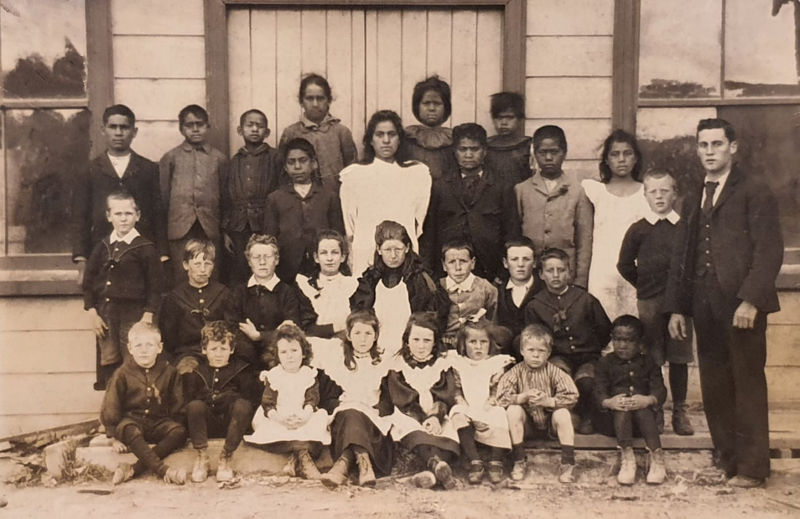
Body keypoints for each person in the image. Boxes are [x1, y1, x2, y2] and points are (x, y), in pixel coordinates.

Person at [666, 118, 784, 488]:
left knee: (746, 382)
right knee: (715, 383)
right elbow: (683, 255)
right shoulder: (695, 195)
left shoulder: (755, 190)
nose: (709, 152)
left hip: (740, 305)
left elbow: (769, 251)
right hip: (703, 303)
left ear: (733, 147)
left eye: (717, 144)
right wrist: (678, 307)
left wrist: (750, 301)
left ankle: (752, 469)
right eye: (703, 145)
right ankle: (726, 460)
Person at [617, 169, 694, 435]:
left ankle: (680, 411)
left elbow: (692, 265)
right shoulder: (638, 229)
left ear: (675, 194)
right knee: (653, 357)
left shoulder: (684, 228)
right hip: (649, 303)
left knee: (679, 357)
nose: (659, 196)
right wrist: (645, 286)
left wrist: (682, 299)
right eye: (653, 191)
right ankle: (656, 408)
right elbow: (624, 264)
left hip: (680, 305)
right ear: (645, 194)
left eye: (665, 191)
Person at [72, 104, 168, 282]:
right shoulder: (90, 170)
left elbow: (158, 214)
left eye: (124, 127)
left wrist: (162, 255)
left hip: (141, 253)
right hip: (101, 252)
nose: (118, 133)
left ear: (134, 131)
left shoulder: (148, 169)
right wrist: (81, 260)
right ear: (103, 130)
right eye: (112, 127)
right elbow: (80, 217)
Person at [82, 191, 165, 390]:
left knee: (134, 361)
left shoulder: (146, 248)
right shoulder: (102, 247)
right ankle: (112, 411)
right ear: (109, 216)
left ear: (138, 215)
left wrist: (148, 316)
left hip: (134, 316)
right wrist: (93, 313)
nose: (123, 219)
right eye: (118, 214)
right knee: (109, 362)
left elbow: (156, 286)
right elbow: (88, 283)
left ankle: (134, 410)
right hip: (106, 315)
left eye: (128, 213)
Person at [524, 247, 612, 435]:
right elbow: (533, 337)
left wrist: (592, 349)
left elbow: (604, 329)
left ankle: (587, 415)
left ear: (569, 272)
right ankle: (564, 415)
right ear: (541, 274)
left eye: (561, 270)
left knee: (587, 380)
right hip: (557, 356)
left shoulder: (585, 299)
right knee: (558, 376)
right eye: (550, 270)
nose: (556, 275)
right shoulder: (535, 305)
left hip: (587, 356)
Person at [421, 122, 521, 282]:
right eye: (463, 149)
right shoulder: (441, 185)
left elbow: (511, 232)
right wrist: (429, 272)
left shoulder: (501, 186)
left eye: (474, 149)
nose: (468, 154)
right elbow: (429, 231)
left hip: (489, 269)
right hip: (448, 269)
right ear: (454, 151)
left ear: (485, 151)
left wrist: (502, 273)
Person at [339, 110, 431, 275]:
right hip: (366, 250)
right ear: (371, 140)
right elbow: (350, 225)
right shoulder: (354, 175)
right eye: (379, 135)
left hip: (403, 252)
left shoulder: (417, 173)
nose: (386, 140)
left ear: (400, 139)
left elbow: (418, 222)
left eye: (392, 134)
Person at [377, 313, 462, 490]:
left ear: (435, 342)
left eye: (427, 340)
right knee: (414, 431)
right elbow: (402, 397)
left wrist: (435, 417)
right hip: (409, 414)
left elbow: (444, 393)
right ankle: (436, 465)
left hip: (438, 413)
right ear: (407, 340)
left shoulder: (442, 364)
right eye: (416, 339)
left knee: (448, 431)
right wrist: (424, 419)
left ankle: (432, 474)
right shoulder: (398, 365)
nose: (421, 346)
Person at [100, 322, 187, 486]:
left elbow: (178, 405)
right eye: (138, 345)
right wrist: (113, 438)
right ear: (130, 349)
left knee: (179, 432)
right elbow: (111, 406)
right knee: (128, 428)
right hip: (133, 424)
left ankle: (133, 469)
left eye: (149, 345)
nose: (144, 350)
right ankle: (165, 471)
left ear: (159, 347)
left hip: (159, 422)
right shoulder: (122, 373)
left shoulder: (170, 372)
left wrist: (175, 425)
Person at [311, 311, 392, 488]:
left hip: (372, 424)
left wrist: (373, 410)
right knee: (351, 413)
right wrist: (345, 405)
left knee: (357, 415)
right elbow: (328, 399)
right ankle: (364, 465)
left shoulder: (383, 363)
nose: (363, 339)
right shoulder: (337, 361)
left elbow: (388, 401)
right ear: (348, 335)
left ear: (376, 336)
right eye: (357, 333)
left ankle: (342, 464)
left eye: (368, 334)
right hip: (343, 420)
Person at [245, 324, 332, 480]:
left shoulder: (309, 373)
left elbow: (312, 399)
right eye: (284, 352)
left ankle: (295, 460)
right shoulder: (274, 375)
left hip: (302, 415)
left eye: (294, 351)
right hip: (278, 416)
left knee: (320, 417)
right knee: (268, 427)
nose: (289, 356)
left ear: (304, 353)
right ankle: (304, 460)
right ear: (277, 356)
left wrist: (304, 417)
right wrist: (280, 419)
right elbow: (268, 403)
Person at [350, 220, 449, 357]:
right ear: (379, 250)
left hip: (413, 352)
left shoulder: (420, 279)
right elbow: (360, 319)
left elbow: (432, 319)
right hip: (376, 352)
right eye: (387, 250)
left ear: (407, 248)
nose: (393, 256)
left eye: (398, 249)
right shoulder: (370, 280)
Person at [497, 324, 579, 484]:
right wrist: (522, 397)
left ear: (548, 353)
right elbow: (501, 398)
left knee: (562, 413)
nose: (536, 355)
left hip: (550, 424)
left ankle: (568, 462)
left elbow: (572, 395)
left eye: (541, 351)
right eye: (531, 350)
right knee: (513, 410)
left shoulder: (555, 371)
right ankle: (519, 459)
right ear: (522, 351)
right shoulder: (515, 372)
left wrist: (549, 401)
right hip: (526, 425)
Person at [582, 129, 650, 320]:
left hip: (634, 273)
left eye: (627, 153)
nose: (621, 159)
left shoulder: (646, 193)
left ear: (636, 158)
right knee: (603, 324)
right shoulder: (594, 192)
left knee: (634, 327)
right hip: (602, 271)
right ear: (606, 160)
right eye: (615, 154)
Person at [515, 125, 593, 288]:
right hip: (531, 273)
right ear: (534, 154)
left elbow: (584, 240)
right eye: (543, 153)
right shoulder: (522, 190)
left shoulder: (577, 191)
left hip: (564, 274)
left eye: (554, 152)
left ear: (564, 152)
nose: (549, 157)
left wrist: (580, 280)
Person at [183, 321, 261, 483]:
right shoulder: (198, 372)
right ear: (204, 350)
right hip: (207, 426)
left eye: (223, 349)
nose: (218, 354)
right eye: (213, 349)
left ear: (231, 350)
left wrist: (229, 398)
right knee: (195, 406)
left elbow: (250, 401)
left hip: (231, 426)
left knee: (243, 406)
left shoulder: (241, 371)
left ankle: (226, 457)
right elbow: (189, 401)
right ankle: (202, 457)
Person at [159, 104, 227, 287]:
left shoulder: (219, 158)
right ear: (181, 128)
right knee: (182, 275)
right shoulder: (170, 158)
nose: (195, 129)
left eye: (200, 124)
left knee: (210, 273)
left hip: (209, 226)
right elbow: (164, 197)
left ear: (208, 127)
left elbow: (225, 195)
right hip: (180, 228)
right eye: (189, 125)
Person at [595, 315, 667, 486]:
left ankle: (657, 458)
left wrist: (648, 399)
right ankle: (627, 459)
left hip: (645, 423)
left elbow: (660, 389)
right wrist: (609, 402)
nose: (622, 345)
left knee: (642, 409)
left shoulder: (648, 362)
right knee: (622, 409)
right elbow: (598, 390)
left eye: (629, 340)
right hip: (615, 423)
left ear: (639, 342)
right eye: (617, 340)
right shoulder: (605, 363)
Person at [265, 138, 346, 282]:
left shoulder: (328, 197)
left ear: (313, 164)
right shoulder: (275, 198)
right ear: (285, 167)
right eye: (291, 162)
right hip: (287, 268)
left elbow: (337, 235)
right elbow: (269, 239)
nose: (297, 166)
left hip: (320, 267)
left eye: (303, 161)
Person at [449, 319, 514, 484]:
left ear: (490, 343)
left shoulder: (496, 363)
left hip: (489, 406)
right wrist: (463, 404)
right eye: (472, 342)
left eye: (483, 342)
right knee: (457, 413)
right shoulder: (459, 363)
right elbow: (456, 389)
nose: (478, 347)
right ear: (463, 344)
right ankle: (475, 461)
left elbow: (497, 392)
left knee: (500, 414)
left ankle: (495, 461)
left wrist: (485, 410)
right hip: (468, 405)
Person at [225, 234, 306, 367]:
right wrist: (275, 332)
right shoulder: (239, 292)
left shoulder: (287, 292)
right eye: (256, 257)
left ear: (276, 260)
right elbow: (232, 326)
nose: (262, 262)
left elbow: (291, 328)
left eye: (268, 257)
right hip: (245, 357)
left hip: (279, 355)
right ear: (249, 262)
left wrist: (260, 336)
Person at [222, 109, 282, 285]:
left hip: (268, 223)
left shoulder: (276, 158)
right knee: (241, 269)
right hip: (239, 227)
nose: (255, 129)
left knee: (267, 265)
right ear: (240, 130)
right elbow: (227, 199)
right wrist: (226, 231)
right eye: (250, 125)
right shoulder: (233, 163)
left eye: (260, 126)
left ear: (267, 132)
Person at [160, 240, 232, 374]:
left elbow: (231, 328)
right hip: (188, 353)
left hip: (219, 350)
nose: (203, 270)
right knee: (187, 370)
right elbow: (168, 338)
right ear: (186, 265)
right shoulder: (175, 297)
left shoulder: (223, 293)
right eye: (197, 264)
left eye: (208, 264)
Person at [278, 74, 358, 190]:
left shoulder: (341, 132)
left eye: (320, 98)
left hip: (335, 199)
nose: (315, 104)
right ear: (301, 102)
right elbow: (282, 172)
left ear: (329, 100)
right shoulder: (291, 133)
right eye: (309, 98)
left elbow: (352, 169)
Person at [295, 229, 359, 338]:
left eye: (334, 253)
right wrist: (336, 327)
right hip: (315, 344)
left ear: (343, 257)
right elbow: (306, 328)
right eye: (324, 253)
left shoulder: (353, 285)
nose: (330, 258)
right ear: (316, 257)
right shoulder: (306, 286)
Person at [436, 240, 498, 347]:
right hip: (444, 344)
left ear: (472, 263)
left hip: (476, 344)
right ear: (444, 265)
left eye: (463, 261)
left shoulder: (486, 288)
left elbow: (493, 318)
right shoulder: (437, 288)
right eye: (451, 262)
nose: (458, 268)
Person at [494, 237, 544, 357]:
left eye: (526, 259)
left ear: (535, 262)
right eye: (514, 259)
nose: (520, 264)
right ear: (506, 263)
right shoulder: (497, 290)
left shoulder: (543, 289)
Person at [403, 76, 458, 179]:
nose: (432, 108)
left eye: (437, 103)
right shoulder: (407, 137)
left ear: (446, 107)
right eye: (426, 103)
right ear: (417, 106)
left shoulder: (453, 138)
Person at [484, 92, 532, 186]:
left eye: (510, 117)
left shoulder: (528, 146)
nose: (504, 123)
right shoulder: (486, 146)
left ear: (519, 118)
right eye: (499, 118)